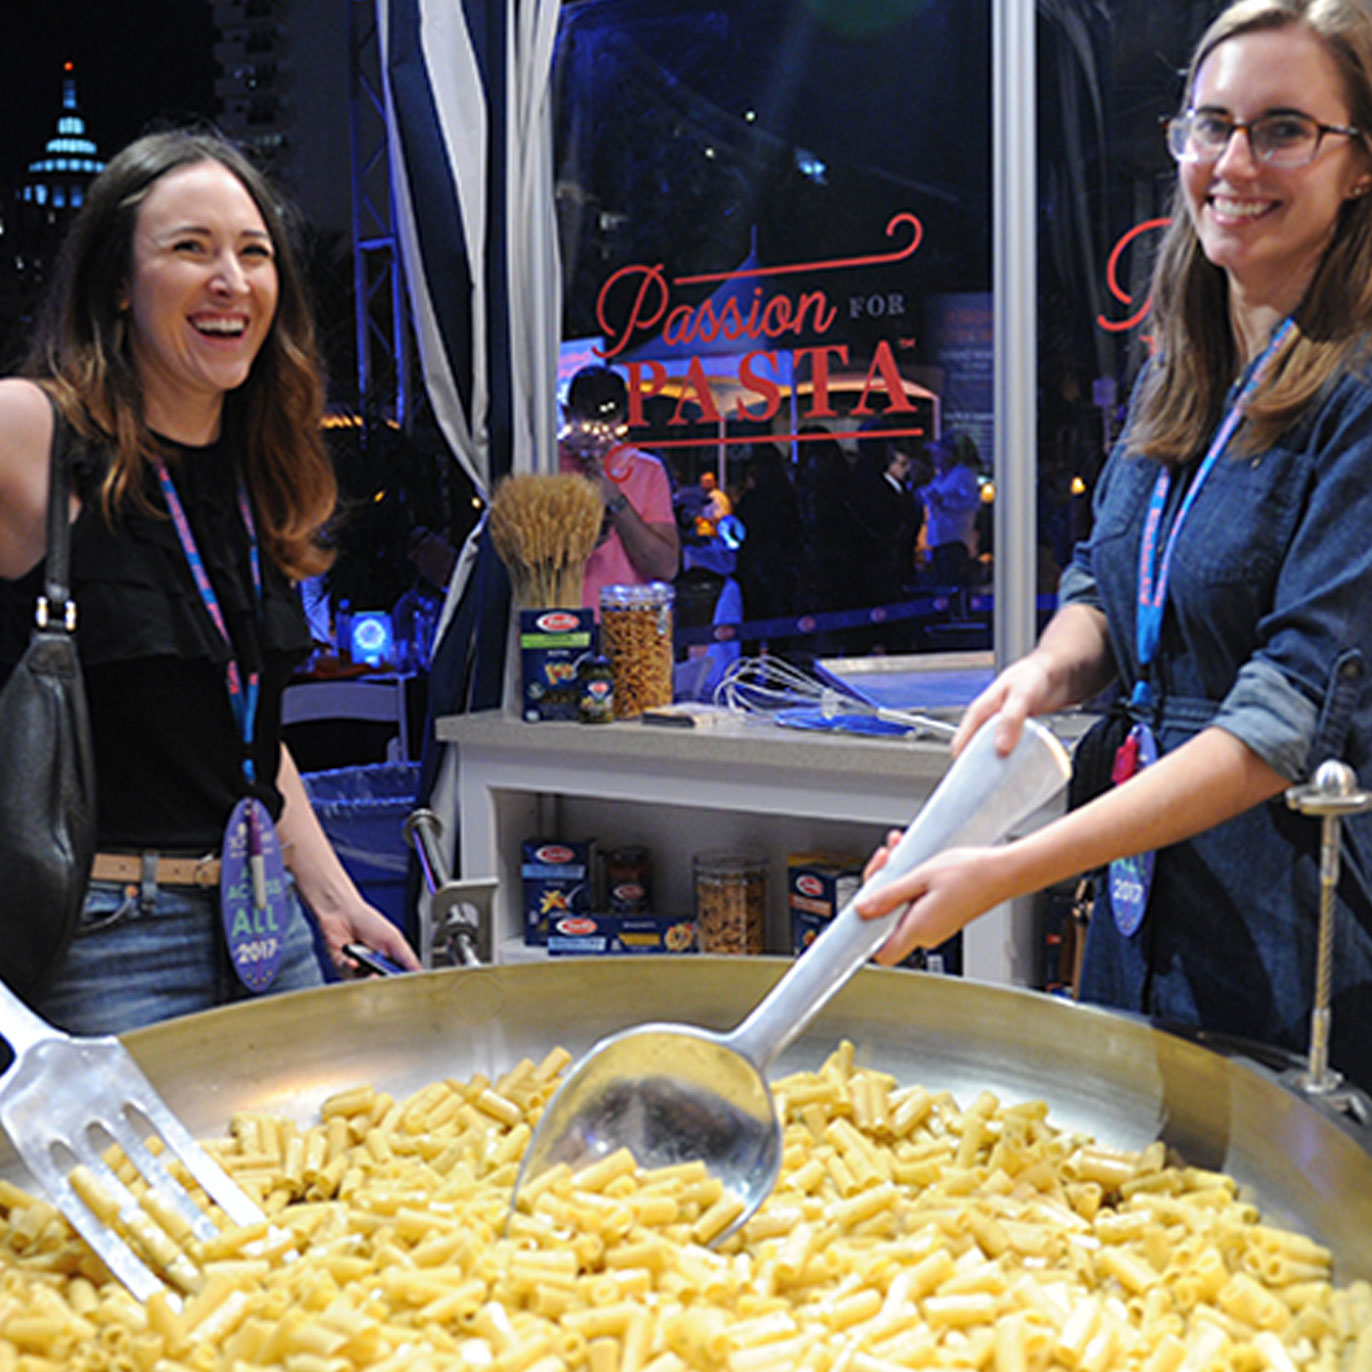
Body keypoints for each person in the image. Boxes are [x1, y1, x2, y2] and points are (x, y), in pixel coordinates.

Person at [859, 0, 1372, 1096]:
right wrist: (1039, 674)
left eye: (1283, 129)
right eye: (1210, 124)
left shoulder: (1357, 393)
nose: (1235, 162)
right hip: (1140, 912)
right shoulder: (1180, 361)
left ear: (1359, 166)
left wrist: (1005, 870)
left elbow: (1284, 712)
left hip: (1298, 928)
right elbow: (1105, 581)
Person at [0, 128, 422, 1035]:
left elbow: (240, 731)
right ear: (118, 281)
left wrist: (334, 892)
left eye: (254, 252)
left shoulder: (255, 474)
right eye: (190, 248)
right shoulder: (31, 432)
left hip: (268, 924)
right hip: (105, 937)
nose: (230, 279)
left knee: (317, 1174)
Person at [557, 364, 679, 609]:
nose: (599, 434)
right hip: (559, 625)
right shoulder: (544, 465)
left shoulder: (647, 470)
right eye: (590, 421)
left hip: (627, 623)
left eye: (608, 422)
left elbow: (666, 567)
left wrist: (616, 500)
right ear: (568, 415)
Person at [917, 432, 981, 586]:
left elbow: (971, 503)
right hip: (938, 540)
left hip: (954, 540)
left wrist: (943, 501)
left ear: (951, 454)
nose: (934, 457)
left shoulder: (963, 476)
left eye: (939, 452)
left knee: (951, 582)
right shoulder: (939, 478)